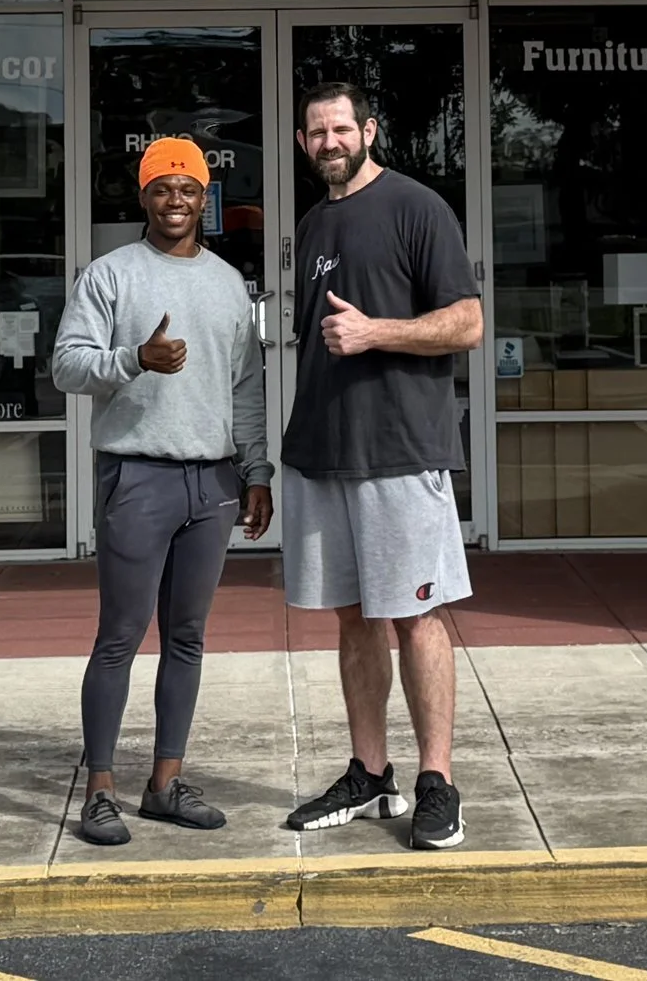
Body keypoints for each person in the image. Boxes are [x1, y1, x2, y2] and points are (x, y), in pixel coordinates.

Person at [52, 137, 274, 847]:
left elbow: (246, 388)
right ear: (143, 196)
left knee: (188, 636)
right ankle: (100, 790)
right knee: (119, 636)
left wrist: (257, 470)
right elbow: (66, 363)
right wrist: (132, 359)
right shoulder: (110, 276)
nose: (175, 199)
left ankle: (164, 783)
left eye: (188, 187)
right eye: (162, 187)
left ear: (204, 196)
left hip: (210, 480)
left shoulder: (228, 283)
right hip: (137, 474)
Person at [276, 83, 481, 852]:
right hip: (323, 455)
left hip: (400, 451)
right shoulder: (315, 221)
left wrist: (377, 333)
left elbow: (467, 320)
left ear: (368, 128)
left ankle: (437, 781)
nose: (330, 140)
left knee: (415, 615)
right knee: (354, 618)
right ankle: (370, 771)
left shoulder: (417, 207)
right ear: (303, 144)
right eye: (316, 131)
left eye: (341, 127)